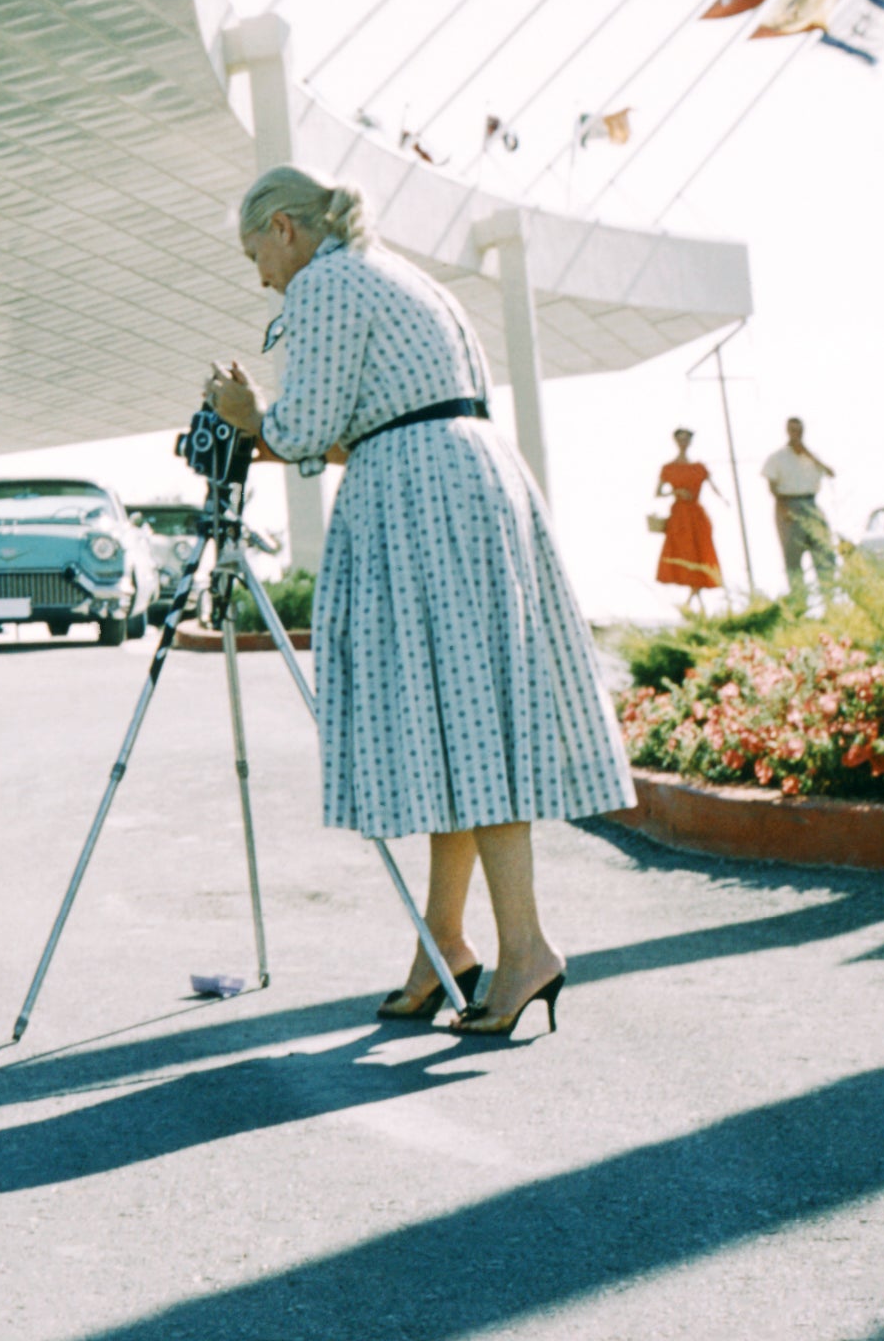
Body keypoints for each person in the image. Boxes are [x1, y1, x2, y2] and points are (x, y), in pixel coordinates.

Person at [202, 166, 633, 1041]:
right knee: (459, 725)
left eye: (258, 254)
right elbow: (366, 417)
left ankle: (527, 950)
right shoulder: (400, 275)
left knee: (468, 727)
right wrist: (281, 427)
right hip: (469, 481)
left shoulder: (325, 281)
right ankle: (445, 946)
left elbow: (308, 425)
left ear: (285, 228)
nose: (261, 279)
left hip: (421, 504)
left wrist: (249, 412)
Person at [765, 418, 837, 603]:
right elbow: (772, 486)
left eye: (799, 430)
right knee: (793, 558)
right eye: (793, 430)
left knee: (824, 552)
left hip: (811, 504)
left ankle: (829, 600)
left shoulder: (811, 456)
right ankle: (799, 602)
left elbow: (830, 473)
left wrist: (808, 454)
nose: (796, 434)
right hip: (788, 504)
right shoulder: (777, 457)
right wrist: (783, 510)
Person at [654, 429, 724, 612]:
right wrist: (675, 492)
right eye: (680, 440)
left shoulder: (699, 467)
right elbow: (658, 492)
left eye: (686, 440)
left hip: (696, 515)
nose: (683, 443)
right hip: (679, 517)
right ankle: (692, 603)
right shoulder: (668, 468)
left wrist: (725, 500)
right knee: (685, 555)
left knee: (701, 555)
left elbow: (715, 487)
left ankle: (690, 603)